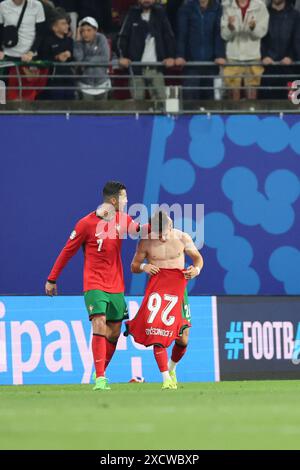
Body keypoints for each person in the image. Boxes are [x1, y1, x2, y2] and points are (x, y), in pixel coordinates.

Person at [45, 181, 149, 391]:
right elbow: (67, 251)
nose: (127, 201)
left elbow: (138, 230)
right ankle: (101, 378)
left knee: (114, 332)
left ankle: (100, 370)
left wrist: (157, 225)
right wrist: (52, 278)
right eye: (124, 197)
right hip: (94, 284)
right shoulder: (85, 224)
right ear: (113, 200)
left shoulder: (122, 219)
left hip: (116, 285)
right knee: (99, 323)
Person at [127, 211, 204, 390]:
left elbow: (198, 259)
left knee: (183, 339)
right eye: (157, 233)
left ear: (170, 226)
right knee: (157, 334)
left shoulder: (182, 238)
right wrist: (145, 266)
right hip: (158, 292)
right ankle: (166, 379)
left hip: (178, 292)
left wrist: (196, 270)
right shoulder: (146, 242)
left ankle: (171, 368)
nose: (161, 237)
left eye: (164, 232)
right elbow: (133, 266)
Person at [117, 0, 176, 101]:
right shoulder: (131, 14)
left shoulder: (161, 14)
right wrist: (122, 57)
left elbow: (169, 37)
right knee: (137, 103)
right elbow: (122, 38)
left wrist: (171, 56)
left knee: (161, 102)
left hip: (156, 68)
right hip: (136, 69)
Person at [176, 0, 226, 100]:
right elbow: (182, 34)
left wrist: (219, 55)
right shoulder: (186, 7)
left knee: (211, 102)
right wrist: (180, 55)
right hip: (191, 64)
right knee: (190, 102)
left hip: (211, 64)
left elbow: (219, 33)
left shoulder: (218, 8)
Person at [221, 0, 269, 100]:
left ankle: (251, 115)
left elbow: (261, 33)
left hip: (252, 56)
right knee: (233, 97)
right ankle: (233, 115)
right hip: (233, 56)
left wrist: (253, 28)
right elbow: (224, 35)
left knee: (251, 96)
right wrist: (230, 27)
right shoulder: (227, 6)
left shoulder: (260, 6)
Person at [260, 0, 300, 99]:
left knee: (294, 107)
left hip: (291, 70)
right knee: (267, 108)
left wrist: (291, 57)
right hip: (268, 70)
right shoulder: (263, 14)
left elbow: (297, 39)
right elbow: (259, 38)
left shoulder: (295, 15)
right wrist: (264, 56)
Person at [74, 16, 111, 100]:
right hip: (85, 85)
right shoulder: (78, 43)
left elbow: (105, 58)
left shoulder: (101, 38)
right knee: (86, 112)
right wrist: (77, 41)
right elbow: (79, 59)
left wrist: (87, 60)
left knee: (103, 111)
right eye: (82, 31)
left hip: (102, 83)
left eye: (89, 30)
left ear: (95, 30)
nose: (85, 33)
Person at [40, 11, 74, 99]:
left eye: (67, 23)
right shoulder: (47, 41)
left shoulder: (70, 41)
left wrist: (70, 55)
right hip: (54, 80)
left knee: (70, 102)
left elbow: (74, 58)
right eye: (63, 23)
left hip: (69, 79)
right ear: (54, 27)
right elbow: (44, 59)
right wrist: (57, 57)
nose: (67, 26)